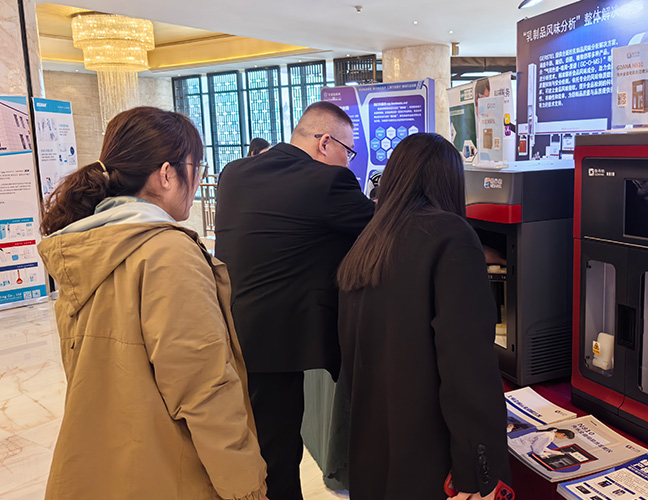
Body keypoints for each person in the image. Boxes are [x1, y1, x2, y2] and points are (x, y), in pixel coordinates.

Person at [37, 107, 267, 500]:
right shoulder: (168, 253)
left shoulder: (83, 247)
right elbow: (204, 389)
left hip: (103, 465)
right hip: (168, 472)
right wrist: (247, 487)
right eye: (196, 166)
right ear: (165, 174)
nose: (199, 179)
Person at [337, 133, 512, 499]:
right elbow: (466, 366)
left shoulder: (368, 242)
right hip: (429, 461)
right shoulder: (452, 235)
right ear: (450, 182)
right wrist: (478, 472)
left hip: (373, 454)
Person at [215, 101, 375, 500]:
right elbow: (386, 227)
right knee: (279, 456)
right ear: (325, 143)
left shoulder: (234, 173)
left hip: (228, 331)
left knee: (250, 447)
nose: (349, 163)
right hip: (276, 345)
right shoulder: (326, 182)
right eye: (348, 152)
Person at [509, 428, 575, 458]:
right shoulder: (549, 436)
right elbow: (536, 448)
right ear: (563, 434)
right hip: (517, 447)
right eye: (565, 438)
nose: (563, 439)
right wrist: (542, 454)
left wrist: (551, 451)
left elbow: (540, 445)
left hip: (515, 445)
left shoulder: (549, 434)